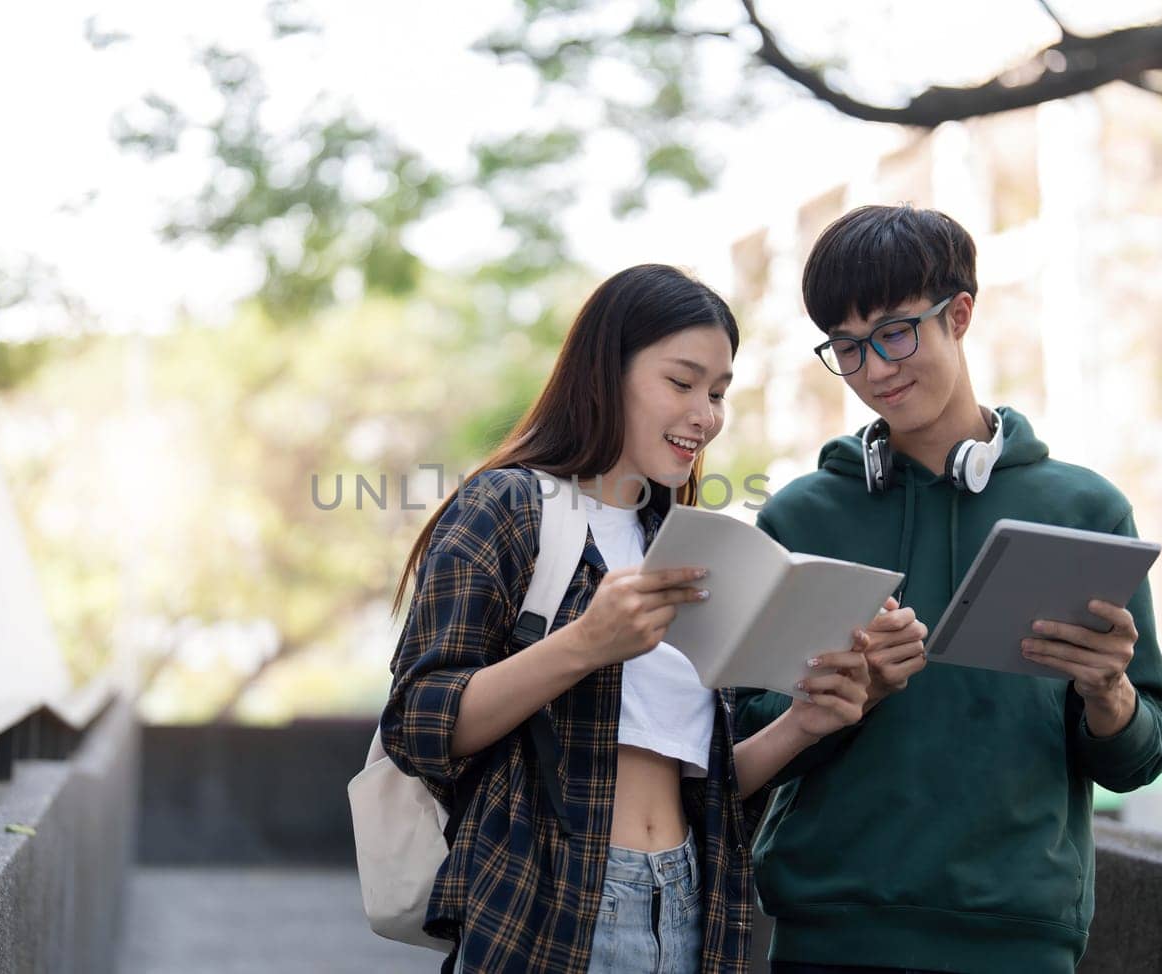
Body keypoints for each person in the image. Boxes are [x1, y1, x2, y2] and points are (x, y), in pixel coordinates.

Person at [381, 263, 924, 973]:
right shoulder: (509, 507)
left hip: (690, 907)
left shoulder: (690, 547)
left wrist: (806, 722)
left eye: (719, 392)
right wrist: (584, 645)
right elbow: (417, 724)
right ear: (606, 372)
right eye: (681, 382)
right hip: (551, 913)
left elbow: (705, 787)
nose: (706, 413)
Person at [734, 205, 1162, 974]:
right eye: (847, 346)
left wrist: (1109, 696)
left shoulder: (1086, 512)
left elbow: (1137, 762)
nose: (875, 369)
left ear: (960, 315)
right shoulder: (800, 517)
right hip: (827, 938)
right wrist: (843, 698)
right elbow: (742, 743)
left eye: (895, 332)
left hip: (1021, 941)